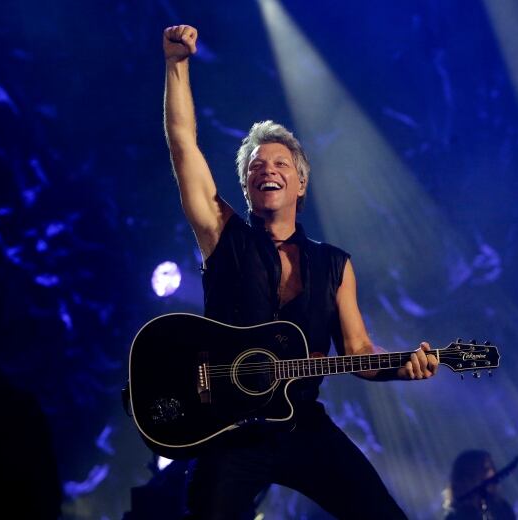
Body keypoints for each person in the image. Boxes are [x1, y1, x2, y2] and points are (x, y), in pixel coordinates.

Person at [162, 24, 439, 519]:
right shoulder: (223, 236)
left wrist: (405, 368)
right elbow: (184, 145)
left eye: (281, 163)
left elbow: (358, 352)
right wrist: (177, 65)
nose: (268, 169)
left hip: (302, 425)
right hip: (230, 432)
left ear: (301, 184)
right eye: (255, 165)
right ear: (246, 187)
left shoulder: (335, 265)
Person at [443, 450, 516, 520]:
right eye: (486, 469)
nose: (493, 473)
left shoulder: (502, 507)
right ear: (469, 476)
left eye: (493, 468)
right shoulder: (456, 516)